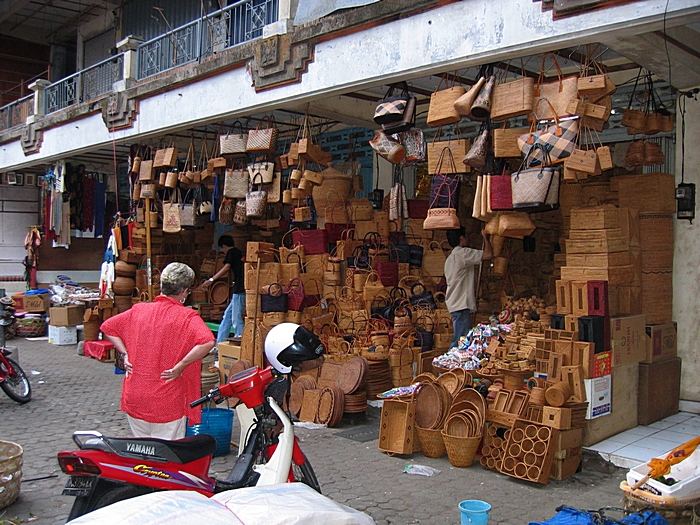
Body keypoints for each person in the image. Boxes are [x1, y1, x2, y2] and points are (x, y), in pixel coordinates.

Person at [102, 262, 215, 440]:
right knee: (166, 453)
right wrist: (181, 365)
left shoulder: (139, 310)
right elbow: (207, 342)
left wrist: (125, 354)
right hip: (166, 399)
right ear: (184, 291)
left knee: (142, 450)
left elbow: (108, 327)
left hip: (136, 395)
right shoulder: (187, 317)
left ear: (161, 286)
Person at [444, 228, 493, 349]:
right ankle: (449, 360)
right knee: (460, 342)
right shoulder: (463, 254)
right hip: (461, 304)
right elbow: (488, 255)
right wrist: (485, 238)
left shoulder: (450, 258)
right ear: (461, 238)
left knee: (463, 339)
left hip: (455, 303)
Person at [202, 235, 245, 348]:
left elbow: (226, 267)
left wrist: (211, 280)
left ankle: (240, 344)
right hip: (239, 289)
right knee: (227, 316)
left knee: (236, 318)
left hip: (240, 289)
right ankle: (218, 346)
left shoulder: (231, 252)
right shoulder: (238, 253)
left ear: (224, 246)